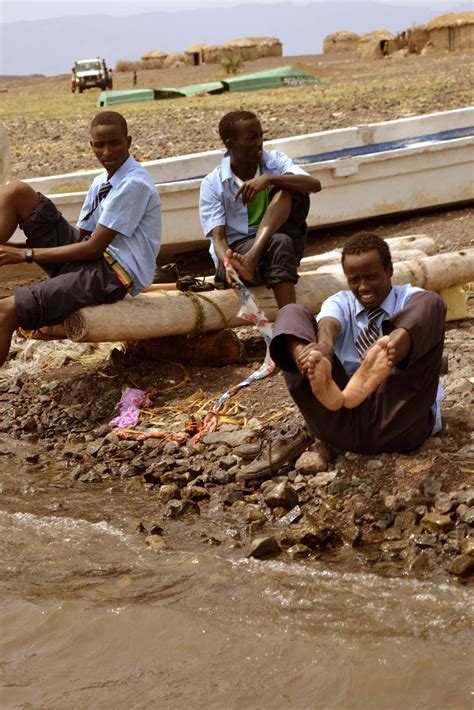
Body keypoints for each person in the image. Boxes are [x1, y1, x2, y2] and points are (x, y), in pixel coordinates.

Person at [0, 110, 161, 367]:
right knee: (17, 191)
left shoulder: (134, 184)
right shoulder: (101, 181)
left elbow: (94, 249)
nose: (107, 152)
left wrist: (24, 255)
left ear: (128, 142)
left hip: (113, 274)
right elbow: (84, 238)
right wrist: (15, 249)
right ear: (91, 145)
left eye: (115, 143)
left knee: (5, 311)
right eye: (99, 145)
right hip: (90, 258)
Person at [269, 232, 446, 454]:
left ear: (389, 270)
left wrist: (390, 345)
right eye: (355, 280)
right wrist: (323, 347)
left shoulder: (410, 299)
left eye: (372, 277)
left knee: (432, 303)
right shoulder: (341, 301)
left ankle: (387, 352)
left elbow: (426, 308)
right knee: (290, 311)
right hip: (339, 420)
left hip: (398, 419)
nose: (363, 287)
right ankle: (311, 365)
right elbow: (329, 322)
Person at [199, 110, 322, 308]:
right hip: (239, 255)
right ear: (230, 144)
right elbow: (219, 239)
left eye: (261, 135)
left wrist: (269, 179)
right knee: (279, 242)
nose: (259, 142)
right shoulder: (213, 183)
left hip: (276, 249)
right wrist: (228, 263)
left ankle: (254, 258)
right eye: (251, 138)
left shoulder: (274, 162)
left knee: (287, 189)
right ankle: (290, 329)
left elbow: (314, 185)